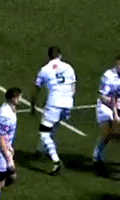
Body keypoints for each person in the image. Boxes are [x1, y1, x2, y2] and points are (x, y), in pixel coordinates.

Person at [32, 46, 77, 176]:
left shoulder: (44, 70)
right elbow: (73, 86)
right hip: (68, 102)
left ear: (49, 56)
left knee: (44, 132)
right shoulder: (69, 67)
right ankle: (41, 151)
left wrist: (32, 105)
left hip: (54, 103)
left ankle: (55, 160)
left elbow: (36, 88)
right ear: (60, 55)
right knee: (54, 126)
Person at [92, 54, 120, 176]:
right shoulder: (108, 76)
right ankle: (97, 156)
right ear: (116, 65)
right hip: (106, 105)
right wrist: (114, 108)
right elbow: (102, 95)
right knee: (106, 134)